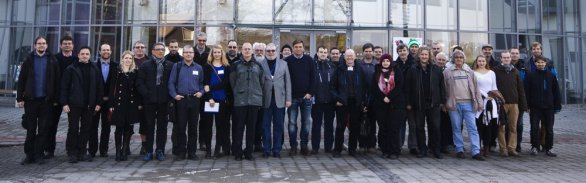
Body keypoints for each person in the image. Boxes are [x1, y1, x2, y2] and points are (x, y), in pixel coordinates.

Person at [17, 36, 60, 165]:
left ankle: (39, 154)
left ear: (47, 46)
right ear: (35, 45)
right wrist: (19, 98)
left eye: (44, 43)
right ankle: (29, 155)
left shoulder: (52, 60)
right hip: (31, 100)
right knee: (30, 129)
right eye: (39, 43)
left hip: (46, 101)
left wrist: (56, 99)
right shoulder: (28, 60)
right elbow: (21, 80)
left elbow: (57, 81)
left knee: (43, 129)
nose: (42, 45)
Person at [61, 46, 103, 163]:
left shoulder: (94, 69)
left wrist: (99, 103)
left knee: (86, 129)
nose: (85, 56)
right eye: (83, 54)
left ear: (90, 55)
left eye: (87, 54)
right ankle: (72, 153)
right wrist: (64, 103)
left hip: (89, 104)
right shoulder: (71, 69)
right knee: (73, 128)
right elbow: (64, 87)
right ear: (78, 55)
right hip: (74, 104)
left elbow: (100, 87)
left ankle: (82, 152)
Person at [443, 50, 484, 161]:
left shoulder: (469, 71)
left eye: (461, 57)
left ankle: (476, 151)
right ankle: (459, 149)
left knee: (473, 128)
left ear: (464, 59)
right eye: (456, 57)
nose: (459, 59)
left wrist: (480, 102)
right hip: (454, 104)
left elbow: (476, 88)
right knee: (456, 127)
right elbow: (444, 89)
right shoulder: (447, 71)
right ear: (453, 59)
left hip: (469, 103)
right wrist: (444, 103)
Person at [405, 46, 445, 159]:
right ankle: (422, 149)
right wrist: (408, 102)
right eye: (422, 54)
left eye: (426, 55)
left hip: (433, 103)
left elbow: (442, 86)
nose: (424, 56)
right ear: (419, 55)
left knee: (435, 127)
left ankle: (435, 149)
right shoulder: (412, 69)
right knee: (419, 127)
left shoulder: (436, 69)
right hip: (418, 103)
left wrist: (442, 101)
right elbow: (408, 88)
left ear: (429, 56)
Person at [136, 43, 173, 161]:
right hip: (149, 101)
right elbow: (139, 83)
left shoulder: (170, 65)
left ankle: (160, 150)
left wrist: (169, 97)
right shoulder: (145, 65)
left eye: (162, 50)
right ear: (152, 51)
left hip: (164, 101)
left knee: (162, 127)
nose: (161, 52)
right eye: (158, 50)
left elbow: (172, 83)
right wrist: (147, 94)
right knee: (149, 126)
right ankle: (148, 150)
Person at [168, 45, 205, 161]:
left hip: (194, 100)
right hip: (181, 100)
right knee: (180, 127)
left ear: (193, 54)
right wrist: (174, 95)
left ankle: (192, 152)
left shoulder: (198, 68)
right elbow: (171, 82)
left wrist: (201, 92)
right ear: (183, 54)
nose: (188, 54)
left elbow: (202, 83)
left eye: (190, 52)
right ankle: (181, 152)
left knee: (193, 127)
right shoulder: (177, 66)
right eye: (186, 52)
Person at [330, 49, 368, 158]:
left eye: (351, 56)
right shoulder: (339, 69)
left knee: (355, 127)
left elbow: (365, 87)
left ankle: (352, 149)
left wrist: (364, 102)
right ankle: (337, 149)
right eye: (348, 56)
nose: (350, 58)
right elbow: (332, 87)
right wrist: (337, 99)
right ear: (344, 57)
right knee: (340, 126)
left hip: (356, 102)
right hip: (342, 102)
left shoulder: (360, 69)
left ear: (355, 57)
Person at [230, 42, 264, 161]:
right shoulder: (236, 65)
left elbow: (262, 82)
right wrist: (239, 92)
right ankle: (238, 152)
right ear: (241, 50)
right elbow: (232, 82)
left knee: (251, 128)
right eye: (245, 49)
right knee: (239, 128)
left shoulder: (258, 66)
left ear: (252, 51)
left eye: (249, 49)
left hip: (254, 101)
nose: (247, 51)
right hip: (240, 101)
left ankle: (249, 151)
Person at [46, 35, 77, 159]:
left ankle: (71, 150)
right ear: (60, 45)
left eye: (69, 43)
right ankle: (49, 150)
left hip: (72, 97)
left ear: (73, 46)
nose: (67, 45)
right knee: (52, 124)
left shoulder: (76, 59)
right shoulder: (54, 59)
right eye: (65, 43)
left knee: (73, 126)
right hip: (56, 97)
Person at [284, 39, 317, 156]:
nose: (298, 49)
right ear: (293, 48)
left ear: (303, 48)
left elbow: (314, 77)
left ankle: (304, 145)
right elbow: (284, 79)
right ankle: (293, 146)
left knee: (306, 122)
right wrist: (287, 96)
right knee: (292, 123)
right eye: (296, 47)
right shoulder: (287, 61)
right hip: (292, 97)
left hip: (306, 97)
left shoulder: (309, 60)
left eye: (300, 47)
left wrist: (310, 93)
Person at [370, 54, 405, 159]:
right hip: (381, 105)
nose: (385, 63)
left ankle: (394, 151)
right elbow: (374, 88)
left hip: (395, 105)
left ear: (391, 62)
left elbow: (400, 86)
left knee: (393, 128)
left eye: (387, 61)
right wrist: (383, 98)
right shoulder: (377, 72)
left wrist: (389, 97)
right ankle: (385, 150)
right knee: (383, 128)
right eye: (383, 61)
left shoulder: (396, 71)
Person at [259, 43, 291, 158]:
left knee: (279, 125)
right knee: (265, 126)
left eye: (273, 51)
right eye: (268, 51)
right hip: (265, 100)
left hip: (280, 100)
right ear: (265, 52)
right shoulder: (261, 64)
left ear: (276, 52)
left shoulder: (283, 64)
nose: (271, 53)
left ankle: (277, 149)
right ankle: (266, 149)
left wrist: (288, 99)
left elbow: (288, 82)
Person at [525, 55, 561, 157]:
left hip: (548, 107)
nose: (540, 64)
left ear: (545, 64)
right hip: (535, 107)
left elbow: (556, 92)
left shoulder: (551, 76)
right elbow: (527, 92)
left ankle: (549, 148)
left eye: (542, 62)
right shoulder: (530, 76)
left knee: (549, 129)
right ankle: (534, 147)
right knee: (534, 128)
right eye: (538, 62)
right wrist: (527, 105)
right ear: (535, 64)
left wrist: (557, 105)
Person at [493, 50, 527, 157]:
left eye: (508, 57)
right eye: (505, 57)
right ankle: (503, 149)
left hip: (514, 104)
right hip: (501, 104)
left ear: (510, 58)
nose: (507, 59)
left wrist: (523, 104)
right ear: (501, 59)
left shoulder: (515, 71)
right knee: (501, 127)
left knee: (513, 127)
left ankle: (512, 148)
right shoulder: (495, 71)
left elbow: (520, 89)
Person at [109, 51, 140, 161]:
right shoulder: (117, 71)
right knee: (119, 127)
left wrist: (138, 104)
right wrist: (111, 104)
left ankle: (125, 149)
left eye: (130, 58)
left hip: (131, 103)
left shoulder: (135, 72)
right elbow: (111, 87)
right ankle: (118, 151)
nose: (128, 60)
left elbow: (137, 89)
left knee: (128, 128)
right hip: (119, 103)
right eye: (126, 58)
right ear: (122, 59)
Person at [202, 45, 232, 159]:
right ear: (212, 54)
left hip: (221, 100)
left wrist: (211, 88)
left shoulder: (226, 67)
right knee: (208, 126)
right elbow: (205, 83)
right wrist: (209, 97)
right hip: (209, 101)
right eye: (215, 52)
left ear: (222, 53)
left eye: (219, 52)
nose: (217, 54)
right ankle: (208, 150)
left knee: (220, 126)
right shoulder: (207, 67)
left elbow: (225, 83)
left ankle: (217, 150)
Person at [91, 43, 119, 158]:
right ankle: (92, 150)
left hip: (109, 102)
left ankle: (104, 150)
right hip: (96, 101)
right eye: (103, 50)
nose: (106, 51)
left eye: (108, 50)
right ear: (99, 52)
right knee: (93, 126)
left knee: (106, 127)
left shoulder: (116, 66)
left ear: (111, 52)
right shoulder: (93, 66)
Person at [472, 55, 499, 157]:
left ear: (486, 62)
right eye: (479, 61)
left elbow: (494, 87)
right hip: (479, 102)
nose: (481, 62)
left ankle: (486, 146)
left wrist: (492, 96)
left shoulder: (491, 73)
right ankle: (477, 147)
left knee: (489, 125)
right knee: (478, 125)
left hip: (490, 102)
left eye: (483, 61)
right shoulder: (473, 73)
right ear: (477, 62)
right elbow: (473, 88)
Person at [311, 46, 336, 154]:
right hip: (317, 101)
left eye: (325, 52)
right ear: (317, 53)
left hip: (330, 101)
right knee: (316, 125)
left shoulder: (332, 66)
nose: (323, 54)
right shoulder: (313, 65)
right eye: (321, 52)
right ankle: (315, 148)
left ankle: (328, 147)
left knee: (329, 125)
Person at [394, 44, 417, 155]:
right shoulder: (394, 65)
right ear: (397, 52)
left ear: (408, 51)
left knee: (413, 124)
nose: (402, 52)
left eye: (404, 50)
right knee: (400, 124)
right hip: (399, 99)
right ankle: (398, 145)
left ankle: (413, 146)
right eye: (400, 50)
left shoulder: (414, 64)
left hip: (412, 99)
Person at [358, 43, 378, 152]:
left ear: (373, 52)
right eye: (366, 51)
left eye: (370, 51)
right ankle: (362, 144)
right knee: (361, 122)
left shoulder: (377, 65)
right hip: (361, 97)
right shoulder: (359, 65)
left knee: (372, 122)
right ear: (363, 52)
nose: (368, 53)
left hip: (374, 98)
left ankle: (371, 144)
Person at [434, 52, 453, 153]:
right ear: (435, 60)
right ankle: (434, 145)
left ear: (446, 61)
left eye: (443, 60)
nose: (440, 61)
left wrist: (445, 102)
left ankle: (445, 145)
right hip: (435, 102)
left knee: (446, 125)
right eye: (439, 60)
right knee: (435, 125)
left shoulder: (449, 71)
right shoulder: (432, 70)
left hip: (447, 101)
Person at [510, 47, 526, 152]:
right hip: (508, 99)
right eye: (512, 53)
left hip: (519, 100)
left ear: (519, 55)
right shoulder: (504, 66)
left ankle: (518, 144)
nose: (514, 55)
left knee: (519, 124)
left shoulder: (524, 68)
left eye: (516, 53)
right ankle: (509, 144)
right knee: (508, 124)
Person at [253, 42, 267, 152]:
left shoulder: (268, 63)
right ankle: (252, 143)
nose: (258, 52)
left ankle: (259, 143)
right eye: (256, 50)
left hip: (265, 98)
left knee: (262, 123)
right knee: (252, 122)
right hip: (252, 97)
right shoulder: (249, 62)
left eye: (261, 51)